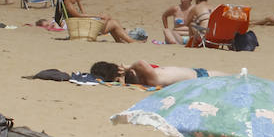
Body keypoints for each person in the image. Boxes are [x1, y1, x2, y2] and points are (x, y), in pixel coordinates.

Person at [60, 0, 135, 42]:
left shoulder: (68, 4)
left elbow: (82, 14)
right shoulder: (68, 5)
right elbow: (79, 16)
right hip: (84, 29)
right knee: (113, 23)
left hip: (83, 26)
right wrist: (98, 16)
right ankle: (130, 41)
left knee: (112, 21)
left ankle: (120, 40)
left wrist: (79, 2)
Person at [89, 60, 227, 86]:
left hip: (199, 76)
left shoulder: (145, 77)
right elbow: (141, 63)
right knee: (238, 79)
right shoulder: (151, 79)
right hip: (202, 77)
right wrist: (129, 66)